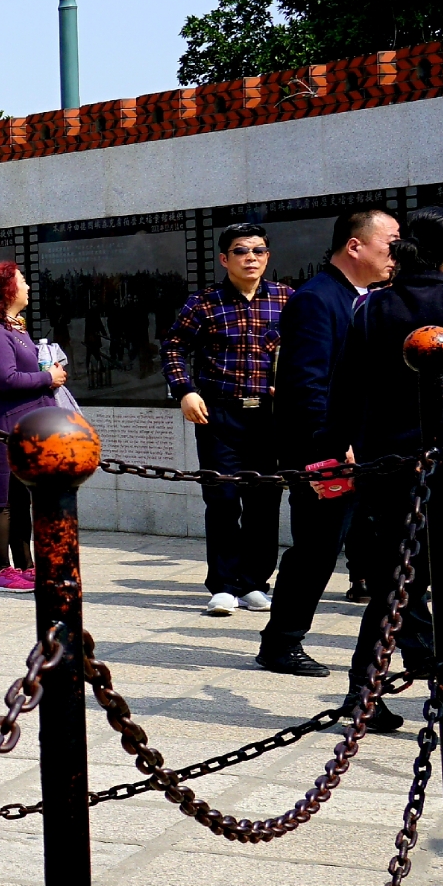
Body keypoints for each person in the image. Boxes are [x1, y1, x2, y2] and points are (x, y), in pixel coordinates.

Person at [329, 209, 443, 743]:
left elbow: (344, 391)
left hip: (393, 470)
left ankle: (363, 698)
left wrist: (329, 455)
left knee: (395, 588)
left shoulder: (370, 306)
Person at [256, 209, 400, 678]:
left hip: (365, 449)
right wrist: (335, 447)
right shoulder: (317, 300)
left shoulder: (368, 297)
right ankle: (281, 643)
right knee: (316, 549)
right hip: (326, 451)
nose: (395, 254)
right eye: (389, 242)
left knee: (377, 550)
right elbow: (308, 385)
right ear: (355, 245)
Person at [164, 222, 295, 617]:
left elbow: (308, 348)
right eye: (241, 251)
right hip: (219, 414)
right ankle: (222, 585)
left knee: (264, 500)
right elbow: (173, 347)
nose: (250, 258)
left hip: (271, 416)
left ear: (267, 256)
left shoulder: (289, 299)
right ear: (225, 259)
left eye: (258, 250)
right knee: (221, 499)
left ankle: (254, 583)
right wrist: (185, 390)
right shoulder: (203, 303)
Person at [0, 261, 61, 592]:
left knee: (22, 501)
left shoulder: (14, 330)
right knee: (3, 502)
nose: (28, 288)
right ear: (6, 289)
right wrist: (47, 377)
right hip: (1, 431)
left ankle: (26, 566)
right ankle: (1, 570)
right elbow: (6, 380)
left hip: (23, 429)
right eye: (23, 282)